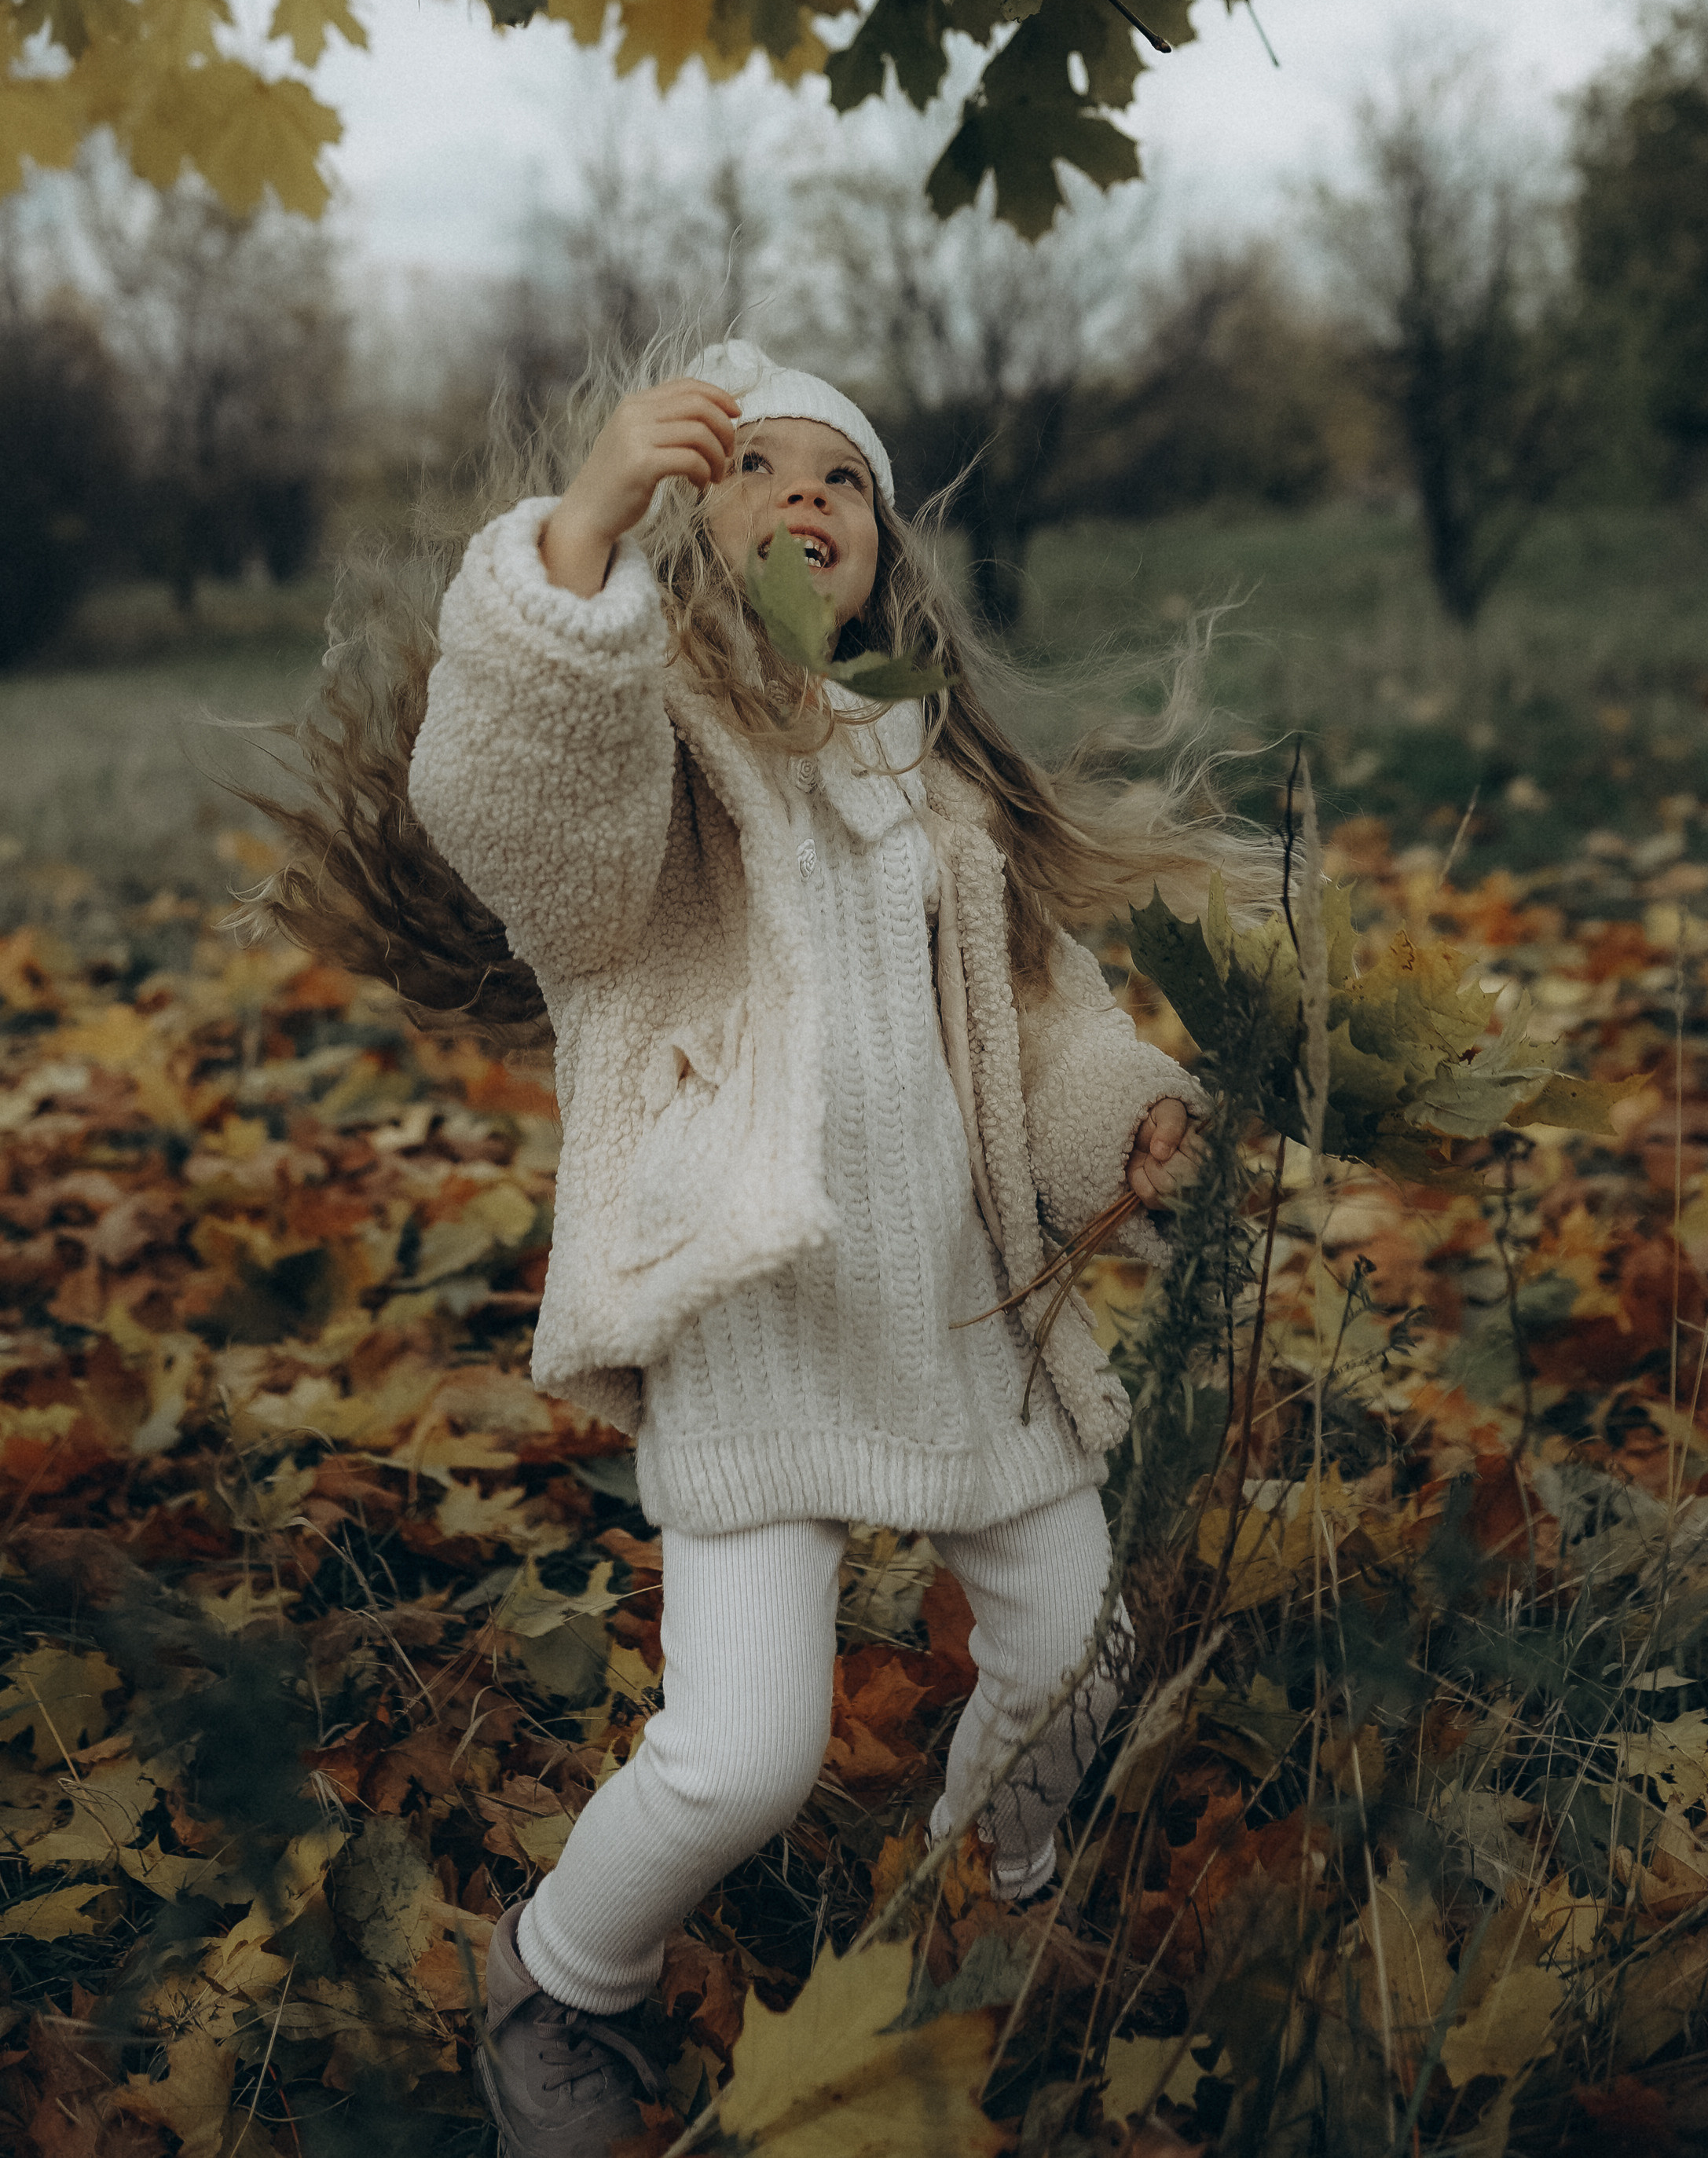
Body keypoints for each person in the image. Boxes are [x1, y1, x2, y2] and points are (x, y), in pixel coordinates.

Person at [258, 339, 1265, 2158]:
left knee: (1076, 1650)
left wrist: (1114, 1109)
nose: (805, 496)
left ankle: (978, 1897)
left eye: (844, 478)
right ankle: (559, 1970)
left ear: (888, 544)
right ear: (685, 514)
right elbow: (523, 817)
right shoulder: (652, 746)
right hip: (759, 1312)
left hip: (960, 1309)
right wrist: (576, 536)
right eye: (755, 465)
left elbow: (1042, 1011)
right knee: (743, 1752)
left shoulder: (936, 781)